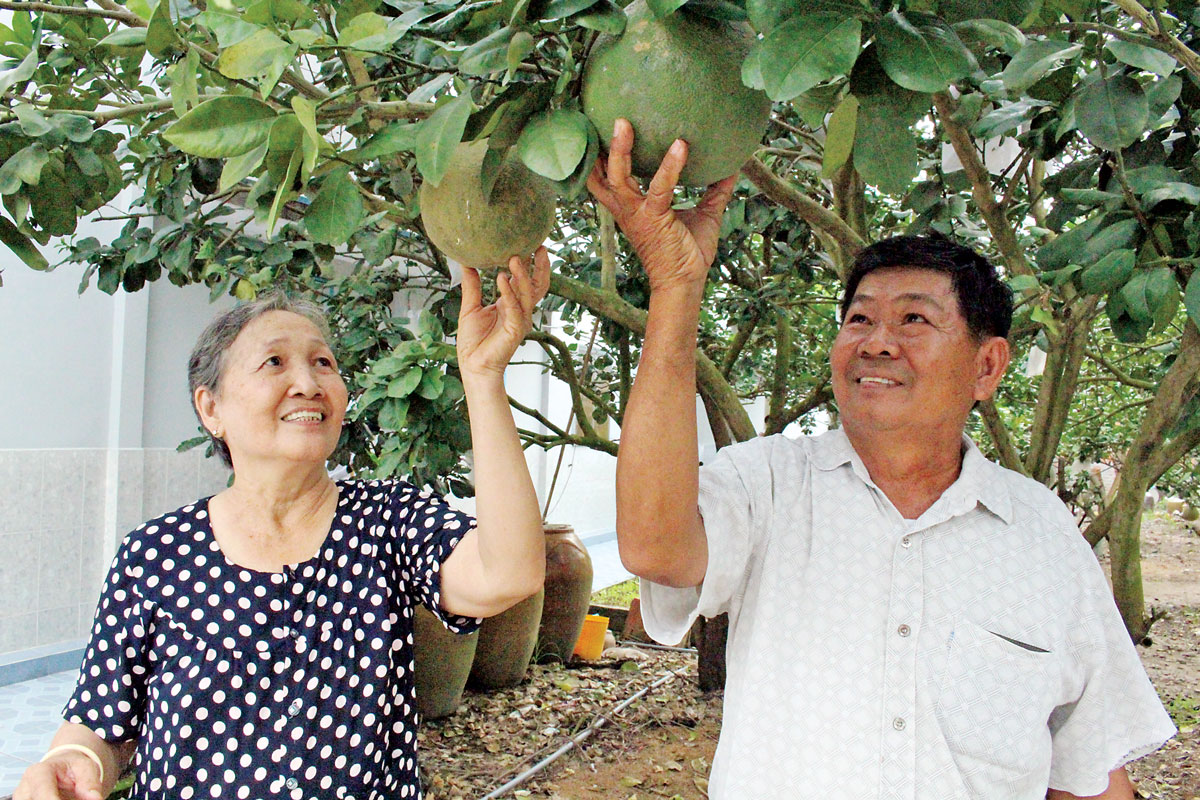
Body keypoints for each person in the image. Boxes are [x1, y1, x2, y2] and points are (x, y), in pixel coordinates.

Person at [588, 119, 1175, 800]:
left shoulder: (1043, 536)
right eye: (860, 319)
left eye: (914, 321)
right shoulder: (770, 485)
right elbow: (656, 546)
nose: (877, 343)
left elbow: (1089, 769)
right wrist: (675, 287)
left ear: (988, 366)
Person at [15, 251, 551, 800]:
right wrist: (70, 759)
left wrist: (483, 376)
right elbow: (102, 720)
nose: (308, 382)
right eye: (274, 363)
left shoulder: (388, 521)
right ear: (211, 409)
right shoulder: (155, 555)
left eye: (323, 363)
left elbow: (508, 572)